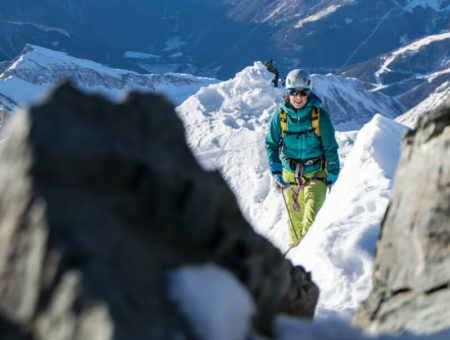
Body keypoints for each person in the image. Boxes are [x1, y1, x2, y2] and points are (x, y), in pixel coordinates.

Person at [265, 69, 340, 248]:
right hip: (289, 175)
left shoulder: (320, 117)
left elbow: (330, 147)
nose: (298, 97)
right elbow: (271, 144)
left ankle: (309, 256)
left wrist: (333, 172)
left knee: (312, 219)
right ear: (287, 92)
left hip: (316, 173)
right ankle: (295, 256)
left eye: (303, 92)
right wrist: (276, 170)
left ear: (309, 92)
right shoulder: (281, 116)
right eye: (293, 92)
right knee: (295, 223)